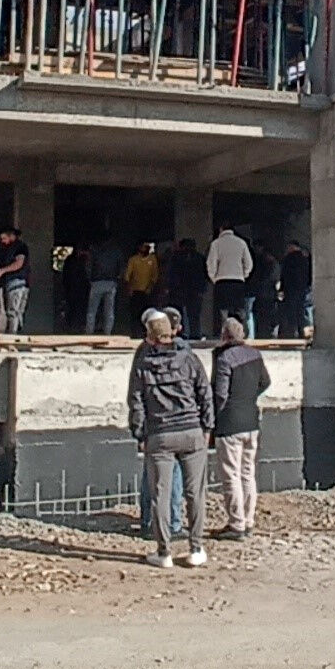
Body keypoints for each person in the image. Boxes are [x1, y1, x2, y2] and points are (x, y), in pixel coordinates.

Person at [128, 307, 212, 568]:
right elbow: (205, 393)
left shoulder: (142, 360)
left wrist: (139, 433)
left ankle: (164, 553)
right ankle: (196, 549)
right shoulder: (189, 357)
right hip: (191, 430)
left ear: (150, 336)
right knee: (195, 493)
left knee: (160, 495)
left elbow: (136, 400)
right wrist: (207, 427)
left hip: (160, 434)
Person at [210, 316, 271, 539]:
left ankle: (236, 524)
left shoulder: (224, 359)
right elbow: (266, 382)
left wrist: (214, 417)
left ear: (224, 336)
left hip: (230, 424)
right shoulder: (255, 355)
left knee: (231, 475)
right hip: (251, 421)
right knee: (248, 473)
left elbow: (220, 394)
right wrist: (248, 398)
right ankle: (249, 520)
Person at [139, 306, 187, 539]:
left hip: (156, 425)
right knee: (172, 475)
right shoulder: (183, 353)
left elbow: (136, 396)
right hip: (177, 423)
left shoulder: (143, 354)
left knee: (152, 475)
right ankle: (173, 523)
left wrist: (139, 431)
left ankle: (149, 521)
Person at [207, 225, 252, 330]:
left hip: (222, 281)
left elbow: (211, 264)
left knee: (223, 311)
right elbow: (249, 263)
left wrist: (214, 277)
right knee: (239, 310)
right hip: (238, 281)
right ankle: (241, 332)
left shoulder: (216, 243)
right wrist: (244, 274)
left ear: (221, 229)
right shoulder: (241, 243)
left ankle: (225, 332)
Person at [166, 237, 209, 340]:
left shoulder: (176, 258)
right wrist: (202, 289)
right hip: (195, 290)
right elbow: (204, 276)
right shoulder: (200, 258)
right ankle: (195, 334)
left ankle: (180, 334)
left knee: (178, 314)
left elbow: (171, 274)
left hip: (179, 290)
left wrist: (171, 288)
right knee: (194, 314)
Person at [0, 228, 31, 335]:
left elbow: (19, 263)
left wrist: (2, 271)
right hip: (17, 283)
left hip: (16, 284)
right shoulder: (9, 248)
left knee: (12, 312)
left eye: (4, 238)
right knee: (16, 313)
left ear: (11, 236)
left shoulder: (19, 247)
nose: (2, 241)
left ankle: (12, 337)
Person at [86, 236, 125, 335]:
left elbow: (89, 267)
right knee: (109, 311)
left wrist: (90, 280)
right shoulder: (117, 252)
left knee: (92, 310)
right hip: (111, 283)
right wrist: (117, 280)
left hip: (97, 282)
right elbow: (121, 269)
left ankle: (89, 333)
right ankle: (108, 333)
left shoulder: (95, 250)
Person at [123, 241, 160, 337]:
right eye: (144, 246)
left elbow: (155, 276)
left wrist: (150, 287)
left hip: (147, 292)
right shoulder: (133, 260)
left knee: (147, 313)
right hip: (135, 291)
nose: (146, 249)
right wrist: (129, 288)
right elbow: (127, 276)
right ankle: (135, 333)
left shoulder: (152, 259)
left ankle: (146, 333)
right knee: (134, 313)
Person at [278, 240, 312, 339]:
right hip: (302, 289)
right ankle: (303, 332)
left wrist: (282, 289)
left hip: (291, 289)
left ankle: (292, 332)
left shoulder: (288, 259)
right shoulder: (305, 258)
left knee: (291, 312)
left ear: (292, 247)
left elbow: (284, 275)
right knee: (301, 311)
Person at [246, 241, 279, 340]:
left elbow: (268, 279)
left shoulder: (270, 264)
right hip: (267, 294)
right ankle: (264, 333)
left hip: (265, 294)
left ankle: (264, 333)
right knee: (264, 315)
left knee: (264, 315)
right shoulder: (271, 264)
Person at [61, 245, 91, 331]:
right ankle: (70, 326)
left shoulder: (83, 260)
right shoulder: (71, 260)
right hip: (72, 287)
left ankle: (79, 326)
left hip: (80, 288)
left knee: (80, 308)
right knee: (71, 307)